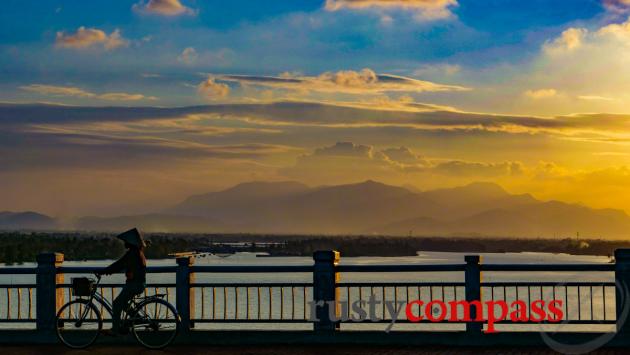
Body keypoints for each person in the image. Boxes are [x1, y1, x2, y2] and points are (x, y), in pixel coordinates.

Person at [97, 228, 147, 335]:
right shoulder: (137, 252)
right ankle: (137, 318)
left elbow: (120, 264)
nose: (124, 243)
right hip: (137, 284)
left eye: (126, 242)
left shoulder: (132, 254)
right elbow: (122, 265)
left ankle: (115, 329)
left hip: (134, 284)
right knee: (123, 303)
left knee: (116, 304)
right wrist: (109, 270)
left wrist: (105, 271)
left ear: (131, 242)